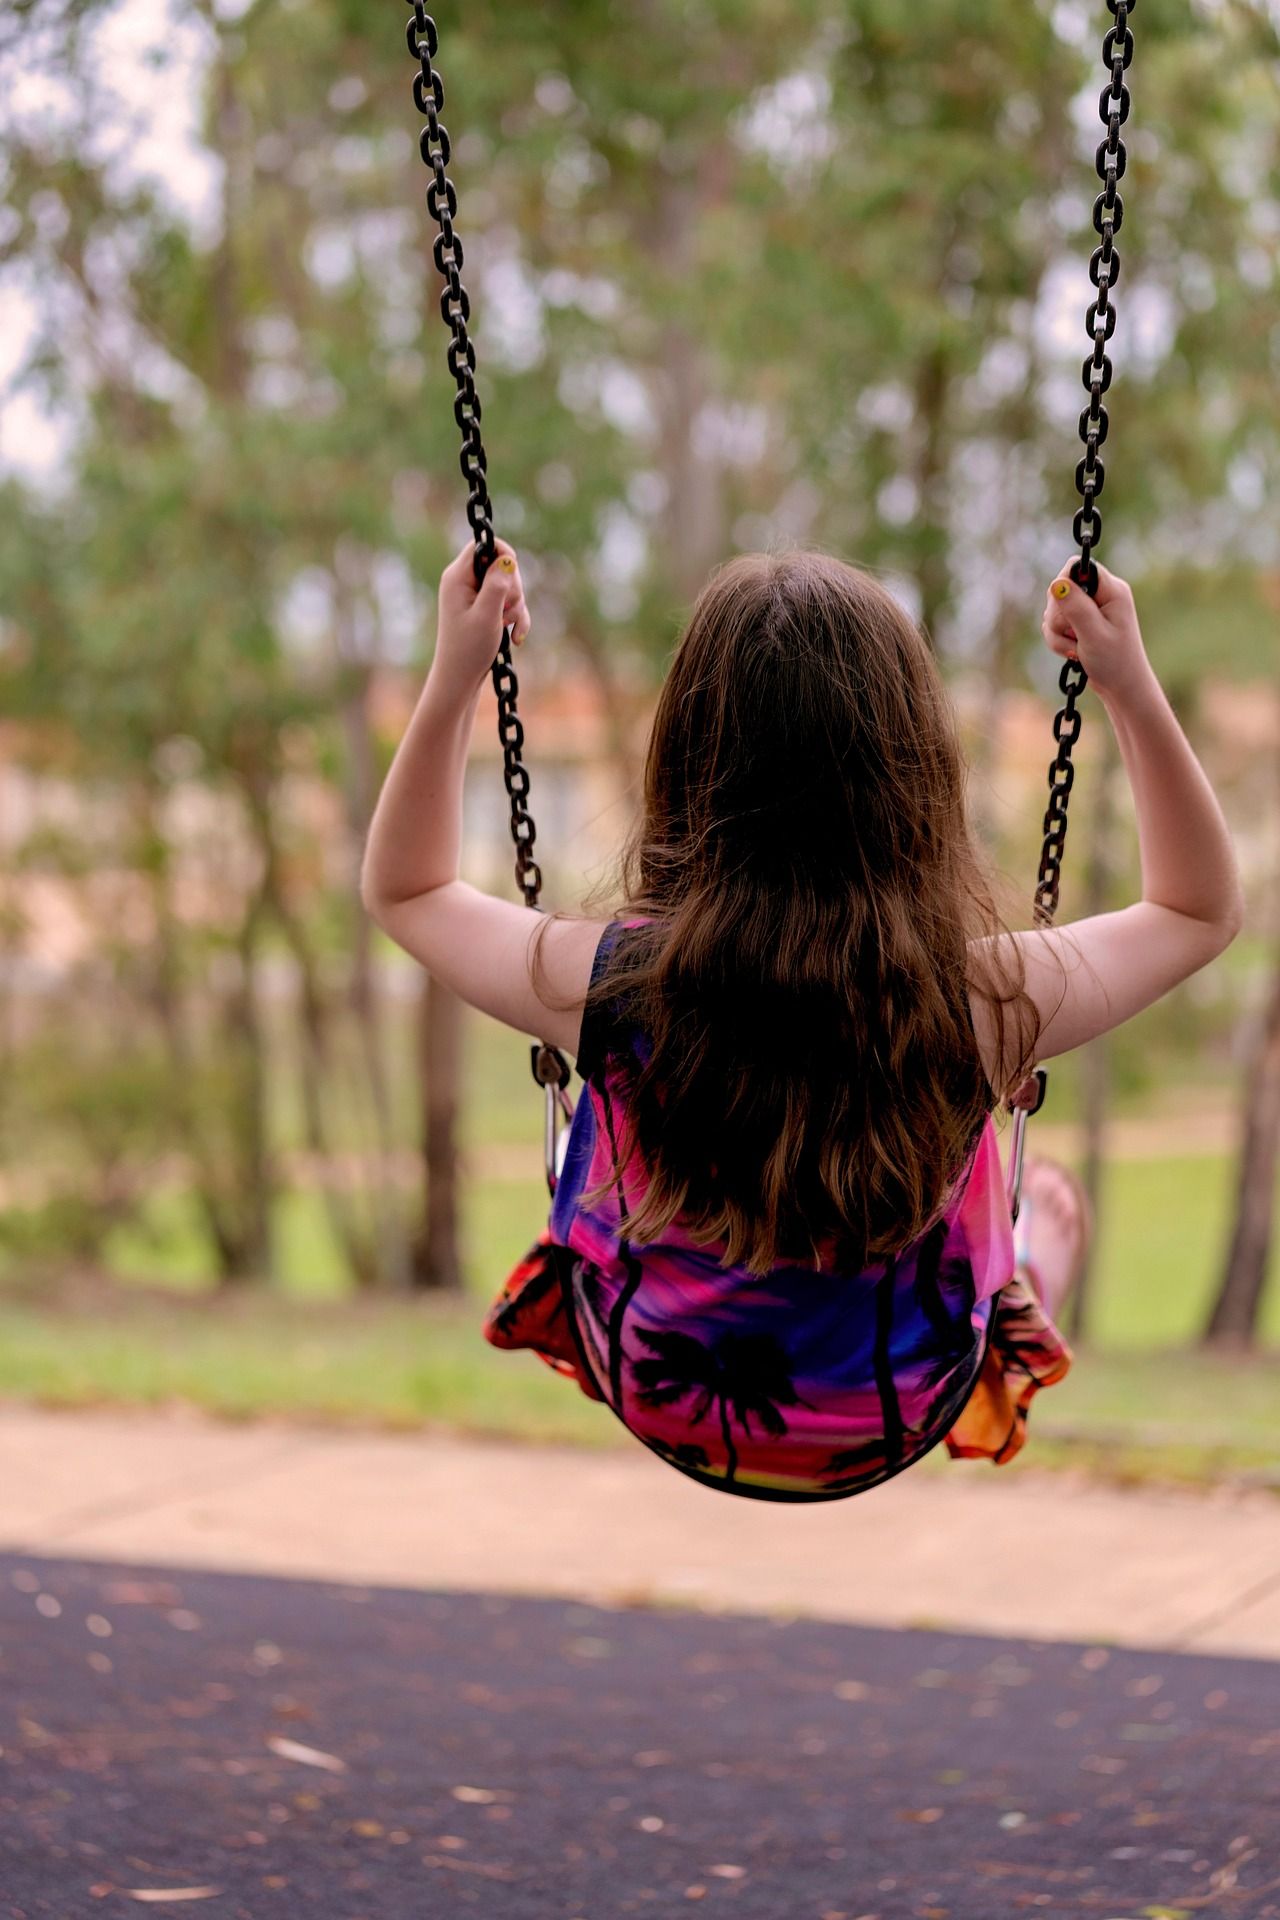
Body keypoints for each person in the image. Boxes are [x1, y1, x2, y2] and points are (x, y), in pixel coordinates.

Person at [362, 542, 1242, 1499]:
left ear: (685, 762)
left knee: (602, 1174)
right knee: (1011, 1207)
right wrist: (1128, 685)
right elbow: (1197, 910)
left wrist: (457, 673)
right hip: (899, 1397)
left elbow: (408, 890)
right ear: (917, 775)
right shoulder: (981, 1001)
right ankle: (1024, 1269)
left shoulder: (609, 982)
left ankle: (1001, 1268)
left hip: (665, 1387)